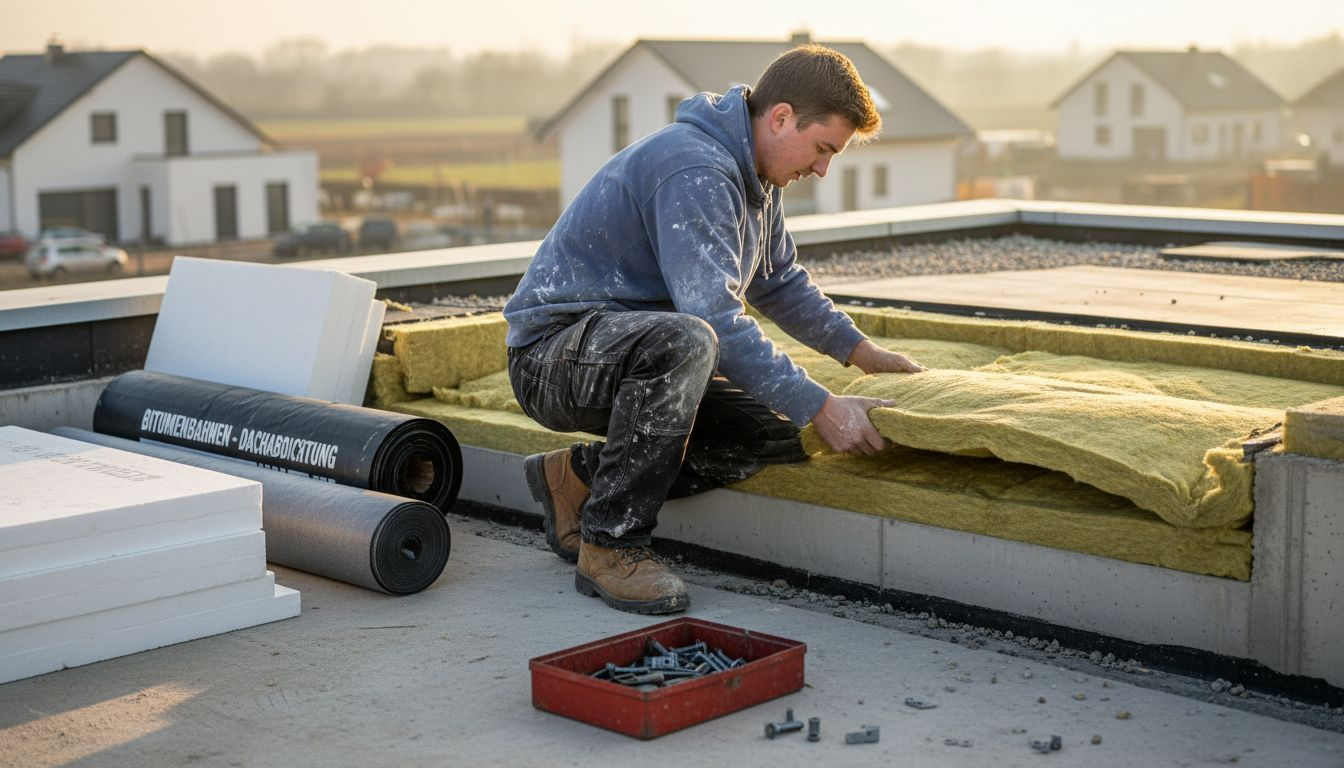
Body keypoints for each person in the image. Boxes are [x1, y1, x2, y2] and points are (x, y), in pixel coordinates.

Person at [503, 44, 925, 616]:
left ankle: (574, 479)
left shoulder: (758, 177)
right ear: (780, 118)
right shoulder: (696, 168)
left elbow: (778, 283)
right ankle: (611, 544)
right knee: (691, 339)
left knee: (770, 434)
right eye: (822, 148)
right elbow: (715, 322)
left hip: (635, 353)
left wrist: (862, 351)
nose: (822, 168)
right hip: (554, 357)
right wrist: (824, 405)